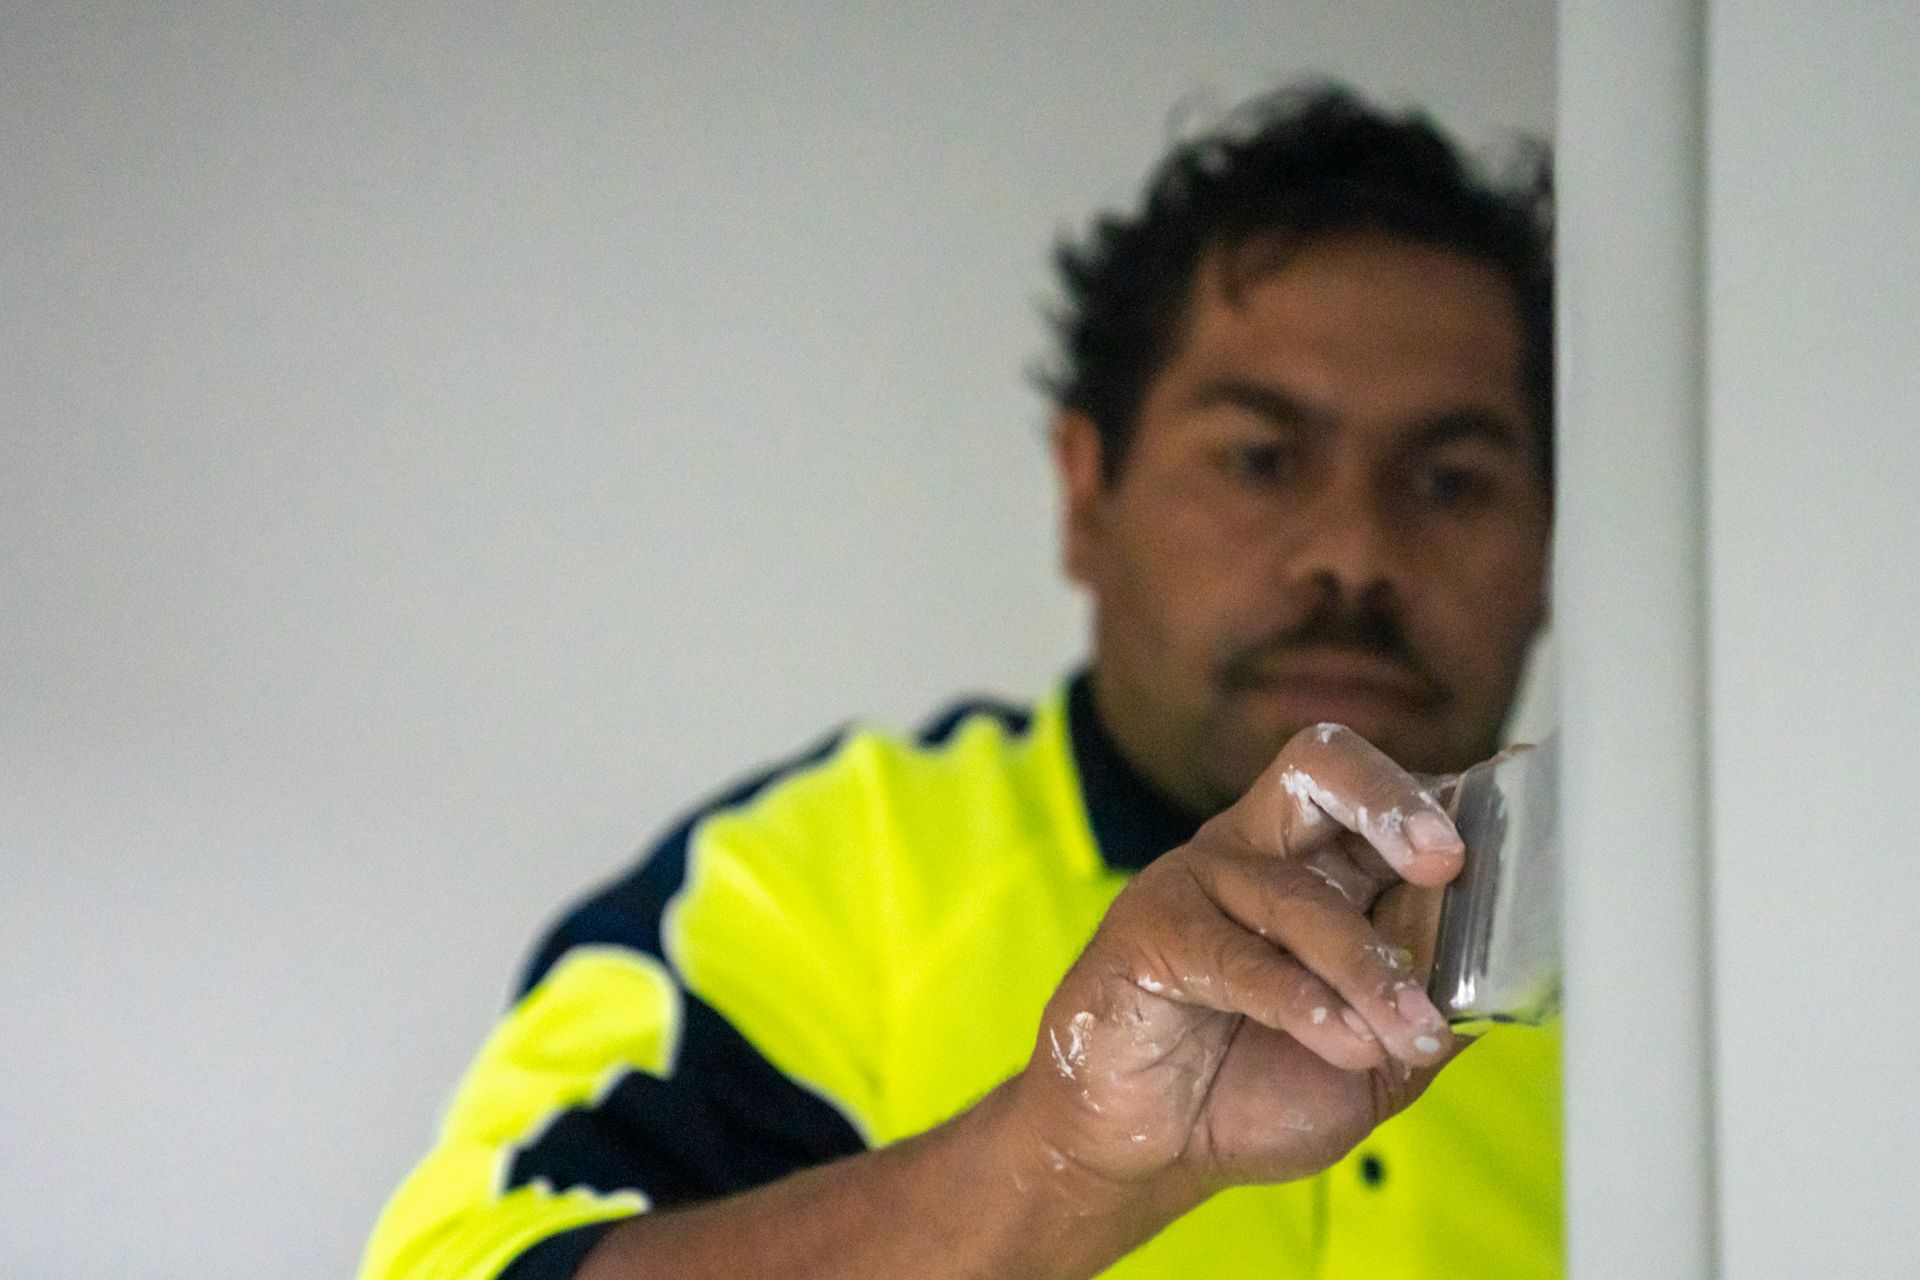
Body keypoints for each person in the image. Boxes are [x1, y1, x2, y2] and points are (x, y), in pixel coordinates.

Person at [358, 83, 1559, 1280]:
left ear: (1557, 540)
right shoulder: (822, 874)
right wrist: (1065, 1158)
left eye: (1451, 479)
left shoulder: (1685, 938)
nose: (1351, 552)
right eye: (1261, 458)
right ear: (1087, 493)